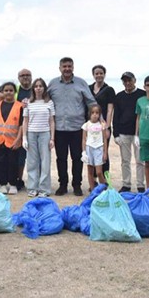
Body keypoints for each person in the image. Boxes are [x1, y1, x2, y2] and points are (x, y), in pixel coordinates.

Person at [48, 57, 97, 196]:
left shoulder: (81, 83)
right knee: (61, 158)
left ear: (73, 67)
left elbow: (91, 102)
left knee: (77, 157)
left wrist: (100, 122)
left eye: (69, 66)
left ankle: (77, 185)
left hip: (77, 128)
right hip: (59, 129)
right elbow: (45, 101)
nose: (67, 69)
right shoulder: (52, 84)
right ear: (60, 68)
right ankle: (62, 184)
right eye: (64, 66)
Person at [22, 78, 55, 198]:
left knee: (45, 162)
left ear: (44, 88)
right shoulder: (28, 103)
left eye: (41, 86)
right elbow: (25, 121)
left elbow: (52, 121)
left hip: (45, 134)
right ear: (33, 89)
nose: (38, 88)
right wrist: (24, 138)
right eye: (36, 86)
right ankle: (32, 187)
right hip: (31, 134)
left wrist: (52, 138)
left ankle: (44, 189)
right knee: (32, 162)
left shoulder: (49, 103)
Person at [0, 82, 24, 194]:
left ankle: (13, 184)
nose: (8, 92)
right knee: (0, 163)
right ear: (2, 92)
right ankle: (2, 184)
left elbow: (21, 124)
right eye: (6, 90)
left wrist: (18, 140)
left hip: (13, 141)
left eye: (11, 90)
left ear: (15, 92)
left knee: (13, 163)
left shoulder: (20, 106)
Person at [113, 71, 145, 192]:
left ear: (134, 80)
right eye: (125, 81)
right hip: (123, 132)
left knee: (139, 160)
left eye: (129, 80)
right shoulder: (119, 96)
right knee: (125, 160)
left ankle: (141, 185)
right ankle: (126, 184)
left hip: (139, 133)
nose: (127, 83)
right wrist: (116, 134)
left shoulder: (142, 94)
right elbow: (116, 116)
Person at [89, 65, 116, 176]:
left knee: (104, 152)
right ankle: (94, 180)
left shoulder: (109, 90)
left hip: (103, 126)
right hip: (91, 126)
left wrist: (107, 127)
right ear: (93, 75)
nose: (99, 75)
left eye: (101, 73)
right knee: (92, 152)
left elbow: (110, 110)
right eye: (97, 73)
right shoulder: (89, 88)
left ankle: (105, 180)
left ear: (104, 74)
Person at [14, 68, 33, 190]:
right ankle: (17, 179)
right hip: (16, 127)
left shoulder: (36, 89)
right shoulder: (15, 90)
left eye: (28, 75)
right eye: (22, 75)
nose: (25, 77)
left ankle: (33, 180)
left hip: (34, 127)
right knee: (18, 156)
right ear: (18, 78)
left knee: (32, 157)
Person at [82, 105, 108, 192]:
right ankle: (93, 191)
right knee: (90, 171)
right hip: (89, 148)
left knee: (99, 172)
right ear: (89, 114)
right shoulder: (86, 125)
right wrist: (84, 152)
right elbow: (84, 139)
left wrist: (105, 152)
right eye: (93, 113)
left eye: (97, 113)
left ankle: (104, 189)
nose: (95, 115)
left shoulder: (102, 125)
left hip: (98, 149)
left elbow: (105, 138)